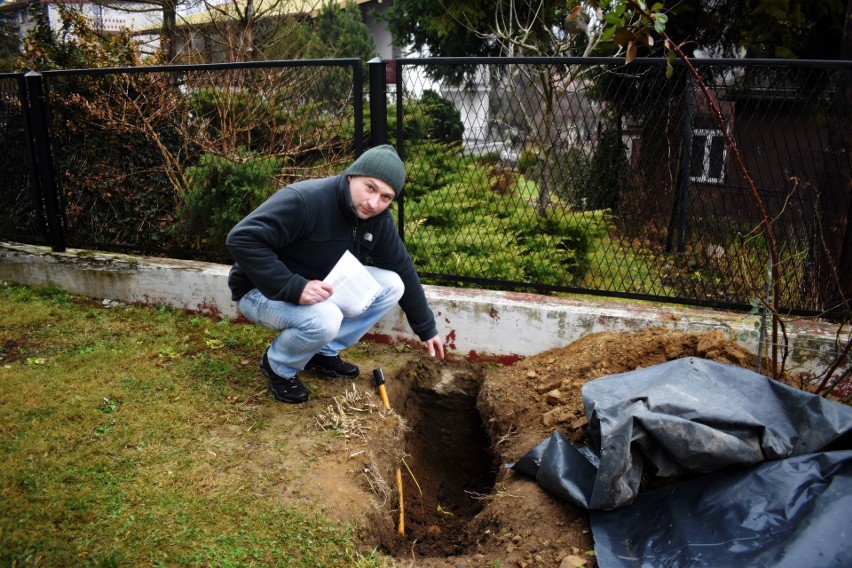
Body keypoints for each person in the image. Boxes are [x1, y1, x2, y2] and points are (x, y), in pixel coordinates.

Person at [226, 145, 445, 403]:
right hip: (259, 291)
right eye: (370, 187)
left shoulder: (379, 221)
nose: (374, 203)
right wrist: (293, 286)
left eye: (386, 197)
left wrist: (427, 328)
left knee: (392, 284)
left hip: (320, 286)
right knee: (325, 318)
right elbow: (241, 239)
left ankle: (323, 352)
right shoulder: (306, 199)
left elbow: (403, 268)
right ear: (352, 176)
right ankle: (278, 365)